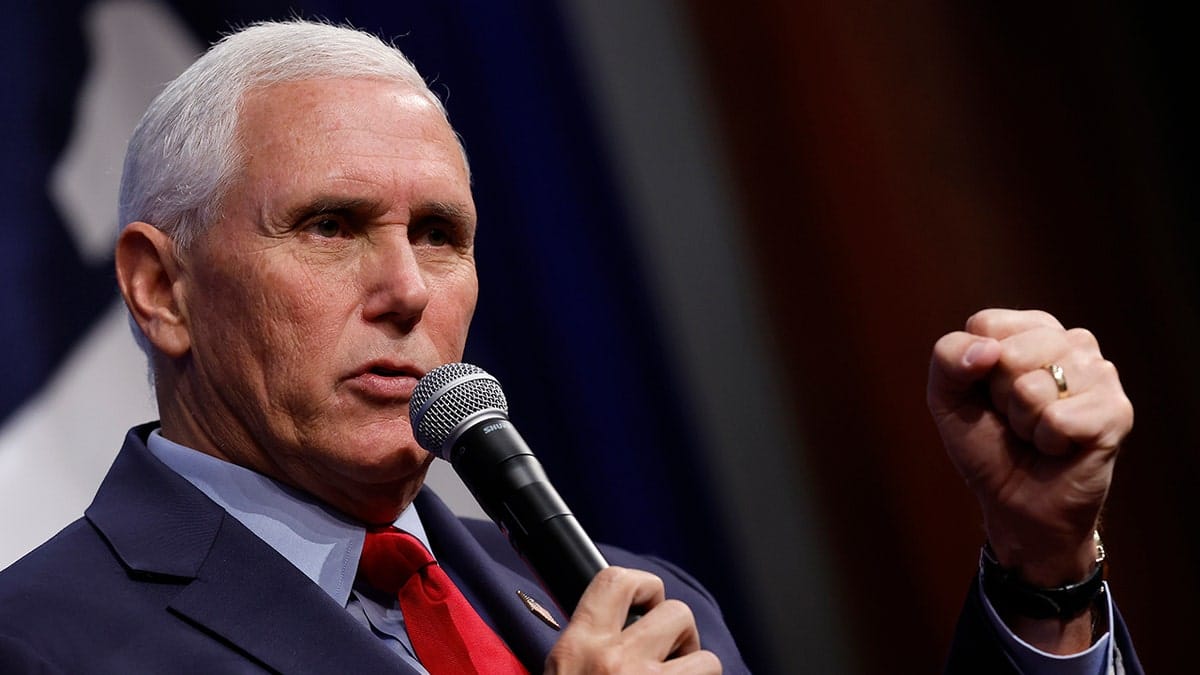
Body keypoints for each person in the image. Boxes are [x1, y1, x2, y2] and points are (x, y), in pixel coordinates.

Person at [0, 20, 1139, 674]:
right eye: (332, 226)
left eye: (441, 235)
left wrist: (1042, 568)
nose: (405, 289)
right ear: (162, 288)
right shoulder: (42, 642)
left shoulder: (639, 606)